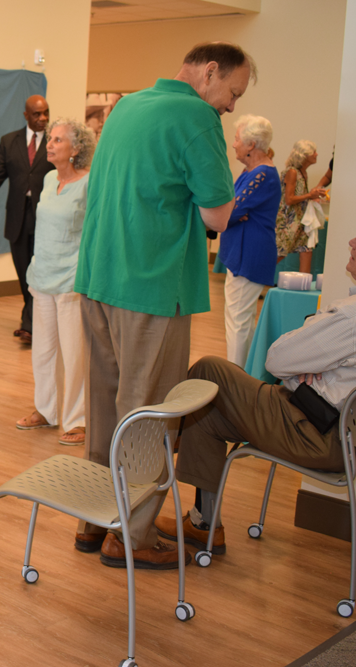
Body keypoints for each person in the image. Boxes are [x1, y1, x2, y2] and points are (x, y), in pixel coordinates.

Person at [73, 42, 253, 568]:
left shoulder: (128, 105)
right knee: (149, 412)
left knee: (105, 404)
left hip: (100, 276)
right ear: (211, 72)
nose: (231, 106)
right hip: (151, 285)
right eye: (233, 93)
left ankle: (94, 519)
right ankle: (133, 535)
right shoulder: (197, 116)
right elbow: (218, 217)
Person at [155, 237, 356, 555]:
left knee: (210, 370)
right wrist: (302, 362)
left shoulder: (350, 318)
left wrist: (301, 352)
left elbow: (276, 359)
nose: (352, 241)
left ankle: (159, 446)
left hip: (312, 430)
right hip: (333, 433)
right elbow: (290, 361)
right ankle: (203, 522)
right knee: (207, 414)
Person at [15, 118, 96, 446]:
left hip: (71, 279)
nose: (49, 144)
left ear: (76, 149)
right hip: (43, 275)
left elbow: (94, 233)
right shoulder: (49, 179)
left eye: (58, 140)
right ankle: (46, 411)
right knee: (43, 351)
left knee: (73, 353)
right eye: (50, 139)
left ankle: (77, 419)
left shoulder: (89, 183)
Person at [0, 94, 52, 343]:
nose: (43, 118)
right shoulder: (10, 141)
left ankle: (30, 324)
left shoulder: (55, 139)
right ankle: (32, 319)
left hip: (47, 217)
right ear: (26, 115)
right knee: (24, 270)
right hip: (18, 216)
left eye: (46, 112)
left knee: (40, 271)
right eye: (37, 114)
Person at [220, 114, 280, 367]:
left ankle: (234, 380)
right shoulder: (252, 172)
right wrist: (232, 211)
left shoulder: (261, 175)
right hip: (243, 252)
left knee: (238, 321)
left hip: (249, 254)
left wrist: (231, 212)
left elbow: (231, 211)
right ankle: (243, 376)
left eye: (236, 139)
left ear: (251, 144)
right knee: (240, 319)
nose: (233, 144)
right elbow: (232, 209)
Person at [275, 140, 327, 273]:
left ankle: (304, 284)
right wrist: (310, 195)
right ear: (304, 155)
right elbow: (289, 199)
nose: (316, 154)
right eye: (313, 152)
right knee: (280, 253)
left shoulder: (302, 172)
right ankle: (256, 278)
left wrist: (312, 196)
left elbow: (299, 197)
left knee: (307, 249)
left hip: (300, 220)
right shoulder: (292, 172)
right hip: (288, 222)